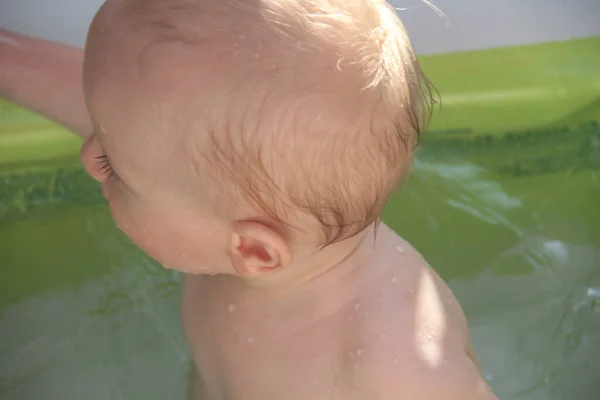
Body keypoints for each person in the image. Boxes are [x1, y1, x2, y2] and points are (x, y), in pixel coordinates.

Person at [0, 0, 497, 398]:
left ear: (254, 251)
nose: (89, 159)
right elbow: (103, 106)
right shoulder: (220, 195)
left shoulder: (393, 367)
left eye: (113, 167)